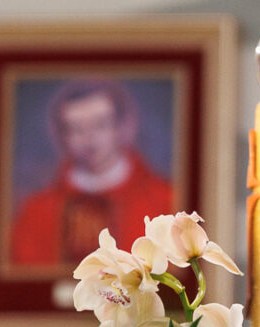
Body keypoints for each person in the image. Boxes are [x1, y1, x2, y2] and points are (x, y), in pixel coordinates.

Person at [9, 79, 174, 268]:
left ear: (121, 127)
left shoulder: (164, 201)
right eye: (77, 129)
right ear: (62, 136)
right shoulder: (36, 212)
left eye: (100, 125)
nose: (89, 138)